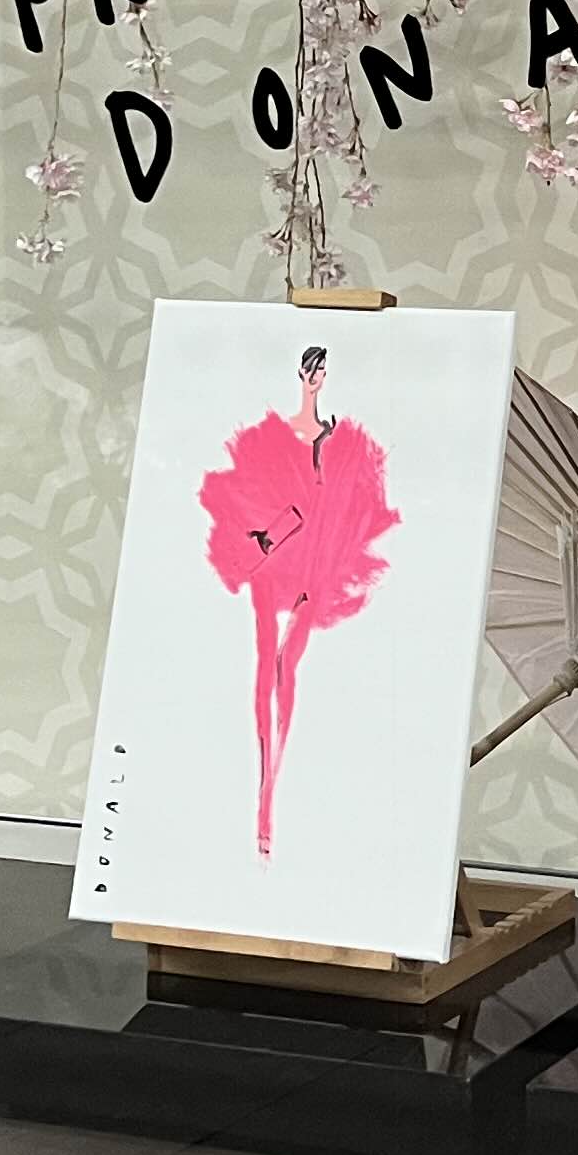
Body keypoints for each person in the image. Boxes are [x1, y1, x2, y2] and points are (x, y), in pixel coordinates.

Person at [197, 345, 397, 855]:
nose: (315, 378)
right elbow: (253, 498)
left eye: (321, 371)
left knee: (289, 668)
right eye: (310, 370)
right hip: (275, 557)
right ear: (300, 374)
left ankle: (272, 801)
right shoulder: (274, 435)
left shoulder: (340, 437)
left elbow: (350, 498)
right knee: (266, 667)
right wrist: (270, 535)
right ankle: (262, 810)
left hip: (318, 560)